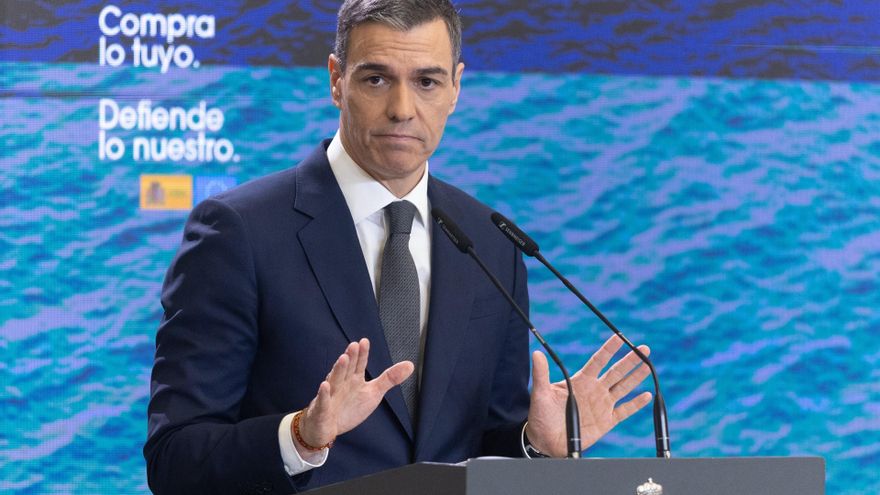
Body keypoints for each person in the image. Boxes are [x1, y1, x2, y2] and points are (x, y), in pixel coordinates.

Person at [144, 1, 653, 493]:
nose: (402, 109)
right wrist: (299, 435)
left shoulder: (491, 243)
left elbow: (482, 445)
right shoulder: (239, 232)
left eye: (427, 81)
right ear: (336, 80)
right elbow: (175, 459)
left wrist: (535, 445)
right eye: (376, 79)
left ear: (455, 88)